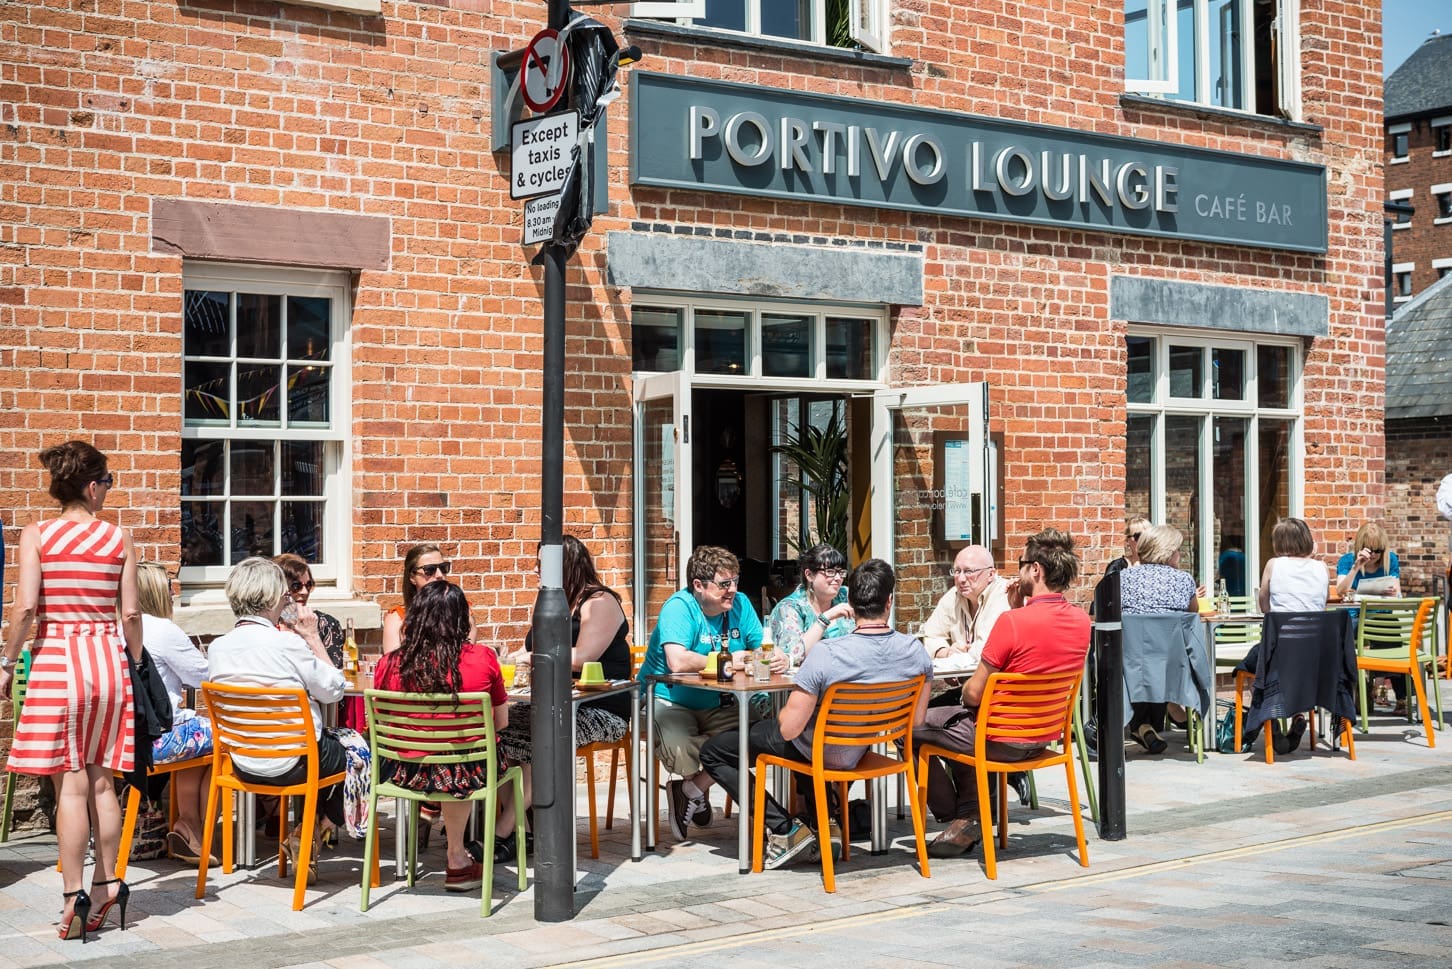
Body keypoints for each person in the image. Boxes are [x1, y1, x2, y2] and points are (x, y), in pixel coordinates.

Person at [700, 558, 933, 868]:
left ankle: (785, 829)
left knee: (716, 751)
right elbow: (916, 721)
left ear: (851, 603)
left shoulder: (827, 653)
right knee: (807, 741)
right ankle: (826, 822)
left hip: (821, 750)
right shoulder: (916, 651)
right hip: (863, 748)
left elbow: (789, 730)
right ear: (889, 601)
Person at [0, 442, 141, 941]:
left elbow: (24, 608)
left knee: (71, 785)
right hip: (108, 662)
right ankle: (108, 884)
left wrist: (7, 662)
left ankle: (73, 894)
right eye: (107, 483)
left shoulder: (38, 534)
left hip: (59, 660)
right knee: (103, 782)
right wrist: (136, 661)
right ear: (92, 486)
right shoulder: (118, 538)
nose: (108, 491)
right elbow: (130, 614)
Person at [912, 527, 1091, 858]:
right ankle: (971, 815)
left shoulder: (1012, 622)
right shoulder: (1081, 621)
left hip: (999, 740)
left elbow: (973, 695)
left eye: (1021, 564)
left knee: (908, 727)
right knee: (957, 724)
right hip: (1044, 738)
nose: (1017, 572)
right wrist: (1018, 606)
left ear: (1035, 570)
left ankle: (962, 817)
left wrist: (1015, 611)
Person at [205, 557, 348, 882]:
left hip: (242, 763)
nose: (288, 599)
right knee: (364, 753)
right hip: (295, 763)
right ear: (270, 598)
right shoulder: (287, 644)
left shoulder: (218, 648)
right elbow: (334, 690)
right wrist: (313, 637)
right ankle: (314, 830)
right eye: (284, 594)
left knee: (323, 748)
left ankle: (308, 832)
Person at [493, 536, 631, 862]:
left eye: (542, 565)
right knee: (498, 734)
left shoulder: (600, 602)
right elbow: (532, 649)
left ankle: (500, 832)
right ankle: (524, 832)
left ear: (564, 566)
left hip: (598, 708)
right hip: (550, 704)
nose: (535, 570)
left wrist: (532, 657)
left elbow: (583, 656)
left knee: (542, 741)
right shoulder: (551, 601)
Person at [372, 581, 508, 891]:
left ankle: (435, 821)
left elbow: (383, 719)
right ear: (461, 618)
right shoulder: (483, 658)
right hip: (466, 772)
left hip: (405, 771)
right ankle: (457, 857)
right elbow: (501, 723)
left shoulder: (389, 663)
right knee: (471, 757)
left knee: (449, 759)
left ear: (415, 617)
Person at [637, 545, 780, 841]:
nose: (733, 590)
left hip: (720, 700)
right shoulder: (679, 607)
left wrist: (778, 657)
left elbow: (762, 648)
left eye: (735, 581)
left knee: (756, 737)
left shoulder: (741, 604)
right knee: (679, 743)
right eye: (724, 583)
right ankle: (695, 789)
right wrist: (730, 660)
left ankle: (691, 790)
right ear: (699, 585)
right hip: (670, 698)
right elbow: (678, 661)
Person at [135, 561, 214, 865]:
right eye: (169, 588)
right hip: (154, 740)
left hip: (119, 740)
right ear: (156, 592)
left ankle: (187, 826)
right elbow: (204, 676)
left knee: (195, 737)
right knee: (222, 736)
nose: (172, 594)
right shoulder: (162, 629)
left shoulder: (114, 627)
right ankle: (194, 829)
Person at [1119, 524, 1198, 755]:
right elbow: (1192, 614)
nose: (1179, 555)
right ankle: (1148, 726)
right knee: (1159, 664)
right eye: (1177, 550)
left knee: (1144, 664)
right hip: (1173, 665)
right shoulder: (1184, 581)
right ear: (1168, 553)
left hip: (1130, 664)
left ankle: (1142, 726)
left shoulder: (1122, 578)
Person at [919, 544, 1017, 666]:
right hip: (964, 675)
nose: (961, 579)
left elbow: (988, 648)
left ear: (990, 574)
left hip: (998, 675)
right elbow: (930, 635)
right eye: (957, 571)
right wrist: (946, 652)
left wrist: (960, 656)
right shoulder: (954, 595)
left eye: (968, 571)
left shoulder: (1004, 594)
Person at [767, 543, 854, 668]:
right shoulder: (789, 607)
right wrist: (826, 617)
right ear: (809, 575)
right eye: (830, 572)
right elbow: (793, 656)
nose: (838, 578)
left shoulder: (846, 596)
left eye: (841, 572)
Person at [382, 544, 476, 653]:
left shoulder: (463, 613)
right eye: (429, 570)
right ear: (412, 577)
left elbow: (467, 656)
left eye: (443, 567)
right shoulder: (398, 619)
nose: (439, 575)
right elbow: (393, 662)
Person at [275, 553, 344, 668]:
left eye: (308, 585)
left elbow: (334, 673)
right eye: (296, 586)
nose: (304, 592)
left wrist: (312, 636)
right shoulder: (265, 625)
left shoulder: (325, 624)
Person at [1257, 518, 1328, 614]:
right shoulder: (1322, 567)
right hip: (1316, 623)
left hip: (1281, 623)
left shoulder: (1273, 564)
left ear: (1278, 543)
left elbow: (1264, 606)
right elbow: (1323, 600)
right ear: (1307, 539)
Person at [1334, 522, 1401, 600]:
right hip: (1355, 608)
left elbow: (1398, 594)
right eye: (1369, 550)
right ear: (1360, 547)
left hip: (1382, 607)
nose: (1373, 554)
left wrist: (1394, 593)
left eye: (1378, 550)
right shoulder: (1347, 560)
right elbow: (1340, 592)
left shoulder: (1390, 559)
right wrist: (1355, 568)